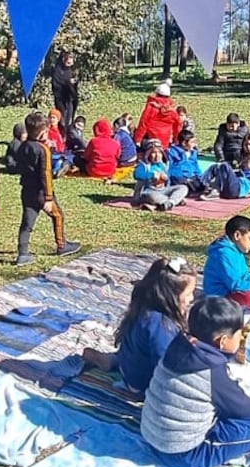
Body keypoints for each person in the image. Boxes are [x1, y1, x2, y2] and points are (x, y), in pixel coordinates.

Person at [140, 296, 250, 467]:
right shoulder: (211, 370)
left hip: (151, 436)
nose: (241, 339)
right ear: (223, 341)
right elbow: (245, 410)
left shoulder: (177, 345)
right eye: (239, 334)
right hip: (183, 453)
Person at [82, 256, 197, 396]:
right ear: (170, 296)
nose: (192, 299)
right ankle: (122, 372)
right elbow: (166, 368)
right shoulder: (160, 325)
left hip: (130, 360)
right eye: (189, 294)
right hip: (140, 384)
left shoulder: (146, 304)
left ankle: (113, 360)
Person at [15, 110, 80, 266]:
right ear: (42, 133)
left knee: (27, 223)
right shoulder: (42, 149)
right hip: (41, 192)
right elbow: (46, 174)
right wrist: (49, 198)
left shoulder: (23, 146)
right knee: (58, 216)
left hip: (27, 190)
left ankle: (22, 254)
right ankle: (62, 245)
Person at [132, 139, 189, 211]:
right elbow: (137, 175)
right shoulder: (144, 165)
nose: (157, 155)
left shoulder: (163, 165)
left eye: (159, 153)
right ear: (148, 154)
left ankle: (168, 203)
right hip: (148, 192)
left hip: (163, 191)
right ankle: (171, 201)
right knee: (151, 196)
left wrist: (166, 177)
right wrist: (152, 175)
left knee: (183, 188)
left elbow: (171, 175)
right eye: (154, 153)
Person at [133, 81, 181, 149]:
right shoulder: (172, 109)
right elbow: (178, 125)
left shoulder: (151, 106)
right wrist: (176, 139)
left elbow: (144, 122)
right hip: (165, 140)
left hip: (151, 139)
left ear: (157, 93)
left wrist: (138, 139)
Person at [166, 128, 204, 195]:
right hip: (179, 177)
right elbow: (170, 168)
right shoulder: (173, 152)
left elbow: (196, 166)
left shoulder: (193, 153)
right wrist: (184, 177)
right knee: (183, 186)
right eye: (192, 142)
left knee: (202, 185)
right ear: (184, 143)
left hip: (191, 177)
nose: (194, 144)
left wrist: (200, 176)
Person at [50, 50, 79, 132]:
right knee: (62, 118)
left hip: (70, 99)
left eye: (71, 59)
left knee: (69, 119)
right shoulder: (57, 70)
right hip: (61, 99)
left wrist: (74, 82)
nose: (70, 61)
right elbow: (56, 85)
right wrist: (68, 83)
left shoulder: (71, 71)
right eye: (68, 59)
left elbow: (74, 86)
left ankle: (67, 134)